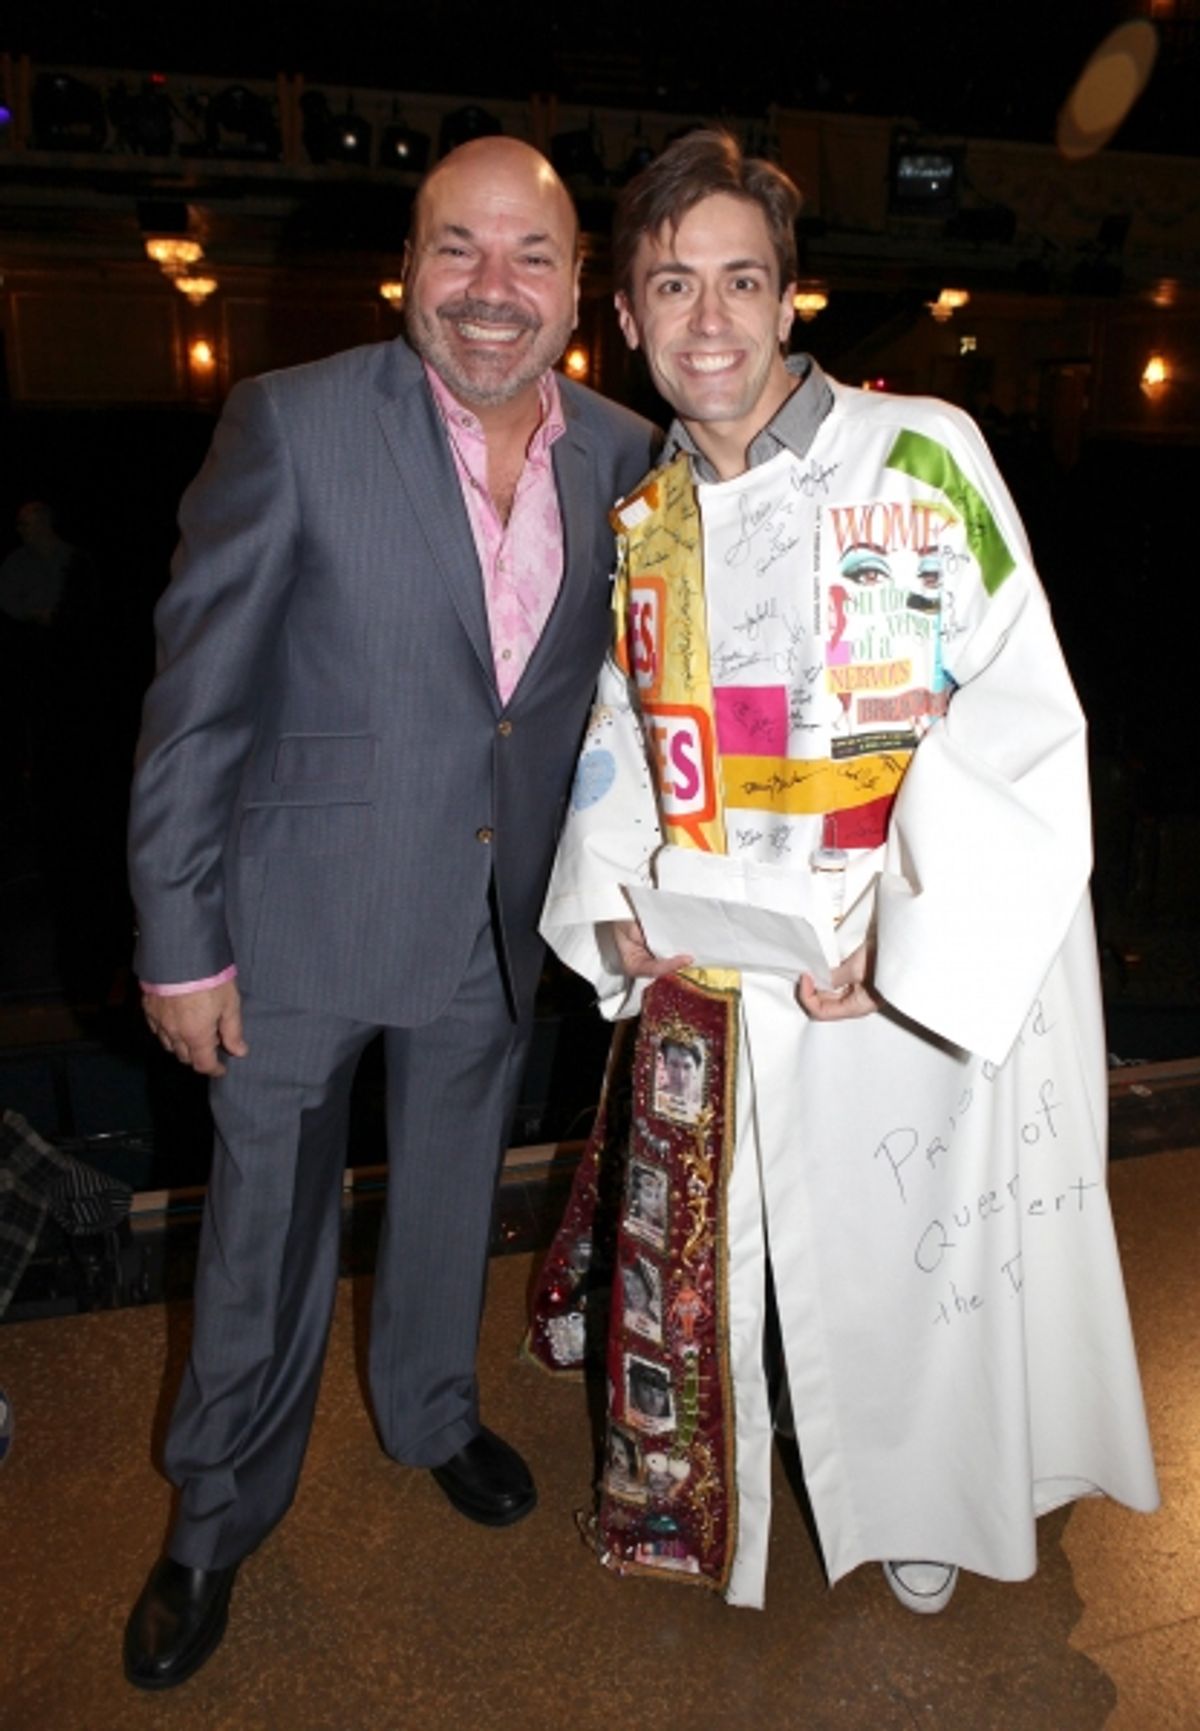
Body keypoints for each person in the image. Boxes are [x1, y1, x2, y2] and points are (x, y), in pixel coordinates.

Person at [527, 130, 1158, 1613]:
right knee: (764, 1253)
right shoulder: (646, 523)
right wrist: (615, 905)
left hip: (889, 940)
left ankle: (929, 1504)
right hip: (729, 947)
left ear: (790, 298)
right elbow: (625, 731)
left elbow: (1018, 702)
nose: (708, 321)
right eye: (671, 286)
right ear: (622, 316)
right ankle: (791, 1471)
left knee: (910, 1254)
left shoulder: (921, 452)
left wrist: (916, 930)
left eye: (740, 281)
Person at [123, 135, 658, 1690]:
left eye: (531, 258)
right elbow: (193, 711)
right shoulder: (289, 425)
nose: (492, 291)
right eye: (457, 250)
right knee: (260, 1241)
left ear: (580, 289)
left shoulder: (627, 455)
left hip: (491, 926)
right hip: (292, 923)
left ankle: (434, 1414)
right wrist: (180, 939)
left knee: (448, 1199)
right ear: (407, 265)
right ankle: (214, 1522)